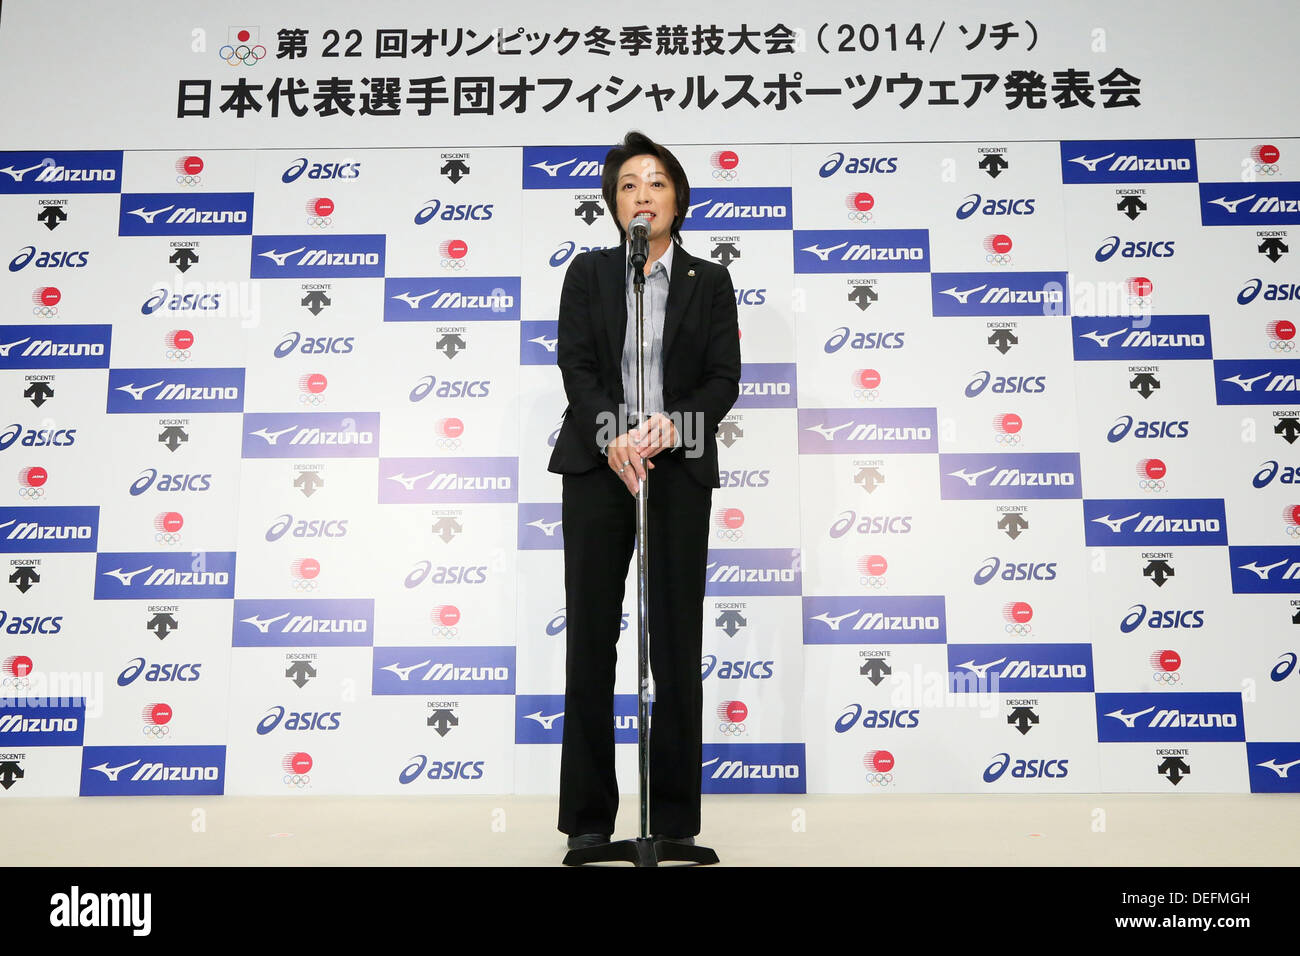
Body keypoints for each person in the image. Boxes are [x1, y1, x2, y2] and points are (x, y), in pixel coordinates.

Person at [547, 131, 742, 852]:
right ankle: (591, 825)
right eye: (628, 184)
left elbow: (724, 379)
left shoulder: (708, 280)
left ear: (678, 199)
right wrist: (614, 436)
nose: (642, 195)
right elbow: (576, 365)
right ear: (612, 202)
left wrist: (665, 429)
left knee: (675, 640)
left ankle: (671, 824)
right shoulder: (589, 273)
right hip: (599, 468)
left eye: (656, 183)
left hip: (677, 464)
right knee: (593, 642)